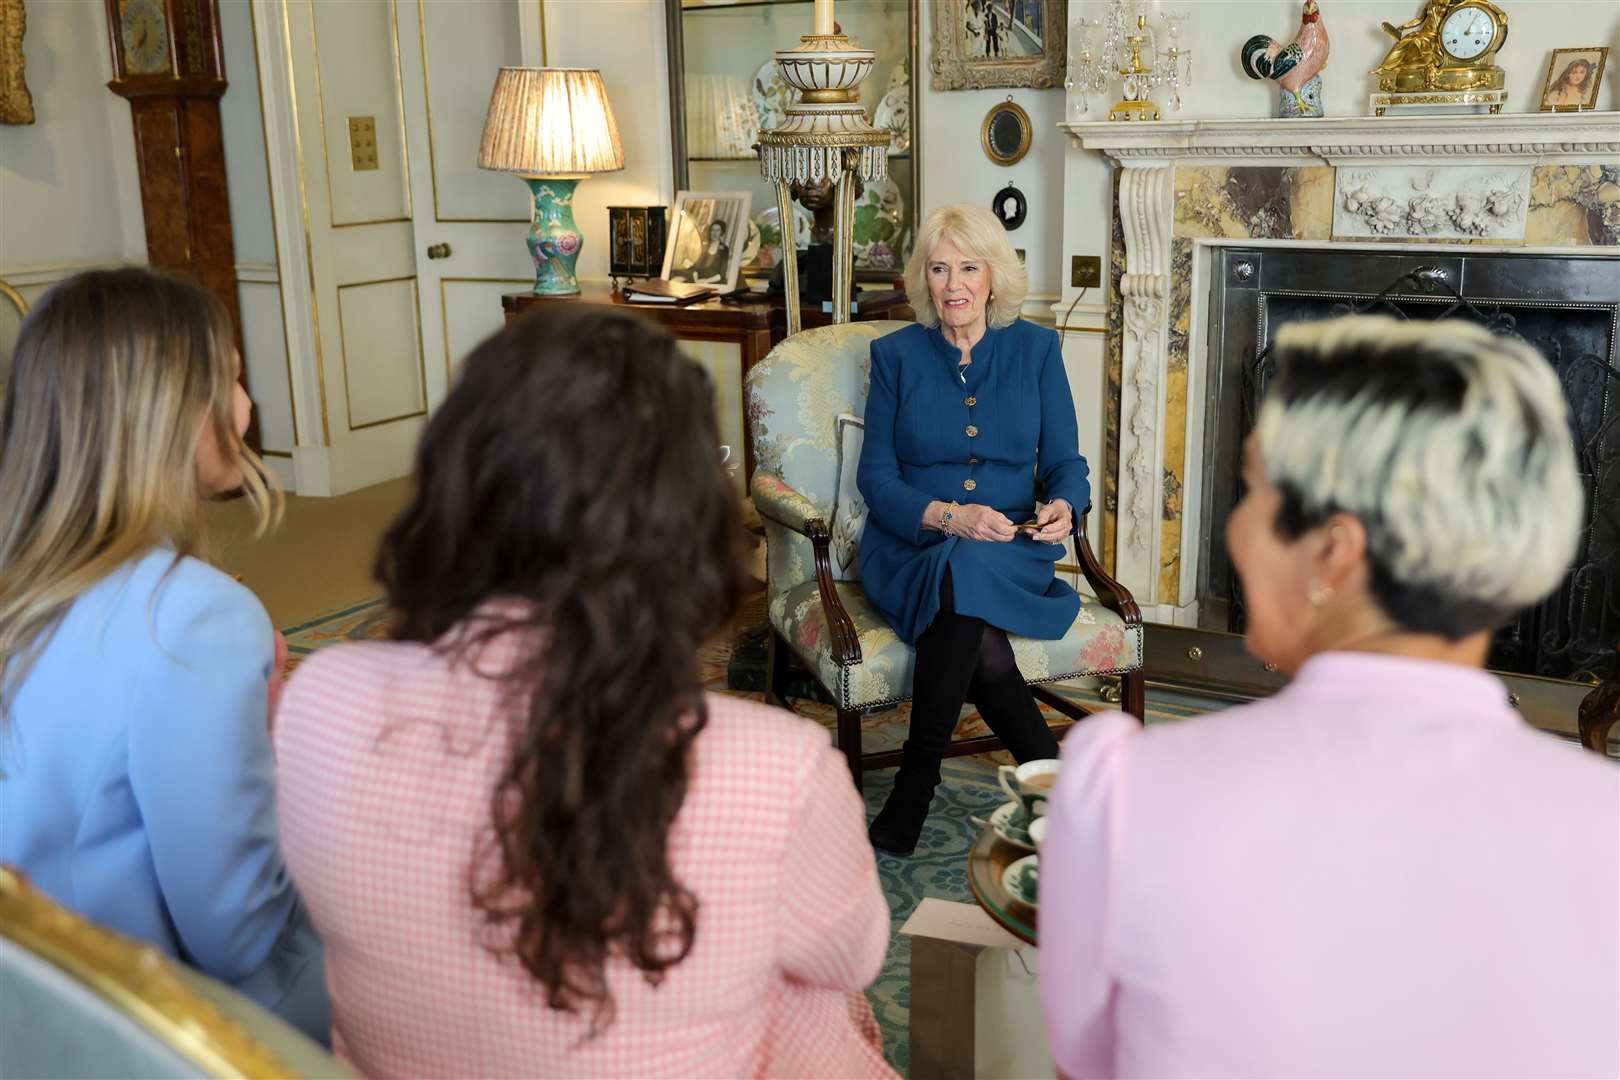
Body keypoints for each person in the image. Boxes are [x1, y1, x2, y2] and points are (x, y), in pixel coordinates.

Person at [273, 307, 895, 1078]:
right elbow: (854, 954)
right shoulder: (778, 769)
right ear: (685, 517)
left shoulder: (318, 700)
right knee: (813, 1005)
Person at [1039, 315, 1618, 1078]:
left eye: (1251, 494)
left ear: (1334, 555)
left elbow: (1086, 1064)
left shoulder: (1124, 794)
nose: (1234, 532)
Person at [0, 268, 330, 1040]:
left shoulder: (24, 585)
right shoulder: (191, 619)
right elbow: (238, 932)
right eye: (234, 381)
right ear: (178, 414)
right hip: (135, 1021)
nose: (246, 409)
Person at [858, 203, 1090, 855]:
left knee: (970, 580)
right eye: (938, 269)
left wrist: (1065, 506)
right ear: (923, 280)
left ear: (994, 277)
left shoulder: (1037, 350)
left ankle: (916, 783)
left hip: (1010, 547)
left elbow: (1067, 462)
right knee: (974, 614)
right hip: (911, 544)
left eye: (967, 267)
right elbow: (875, 480)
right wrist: (949, 516)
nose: (953, 284)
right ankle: (1060, 791)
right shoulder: (896, 357)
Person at [675, 218, 731, 285]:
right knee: (675, 273)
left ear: (721, 232)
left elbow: (721, 274)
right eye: (713, 230)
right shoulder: (705, 246)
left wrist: (704, 281)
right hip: (699, 274)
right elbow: (698, 265)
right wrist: (689, 264)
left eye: (718, 230)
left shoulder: (724, 249)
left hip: (712, 279)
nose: (714, 233)